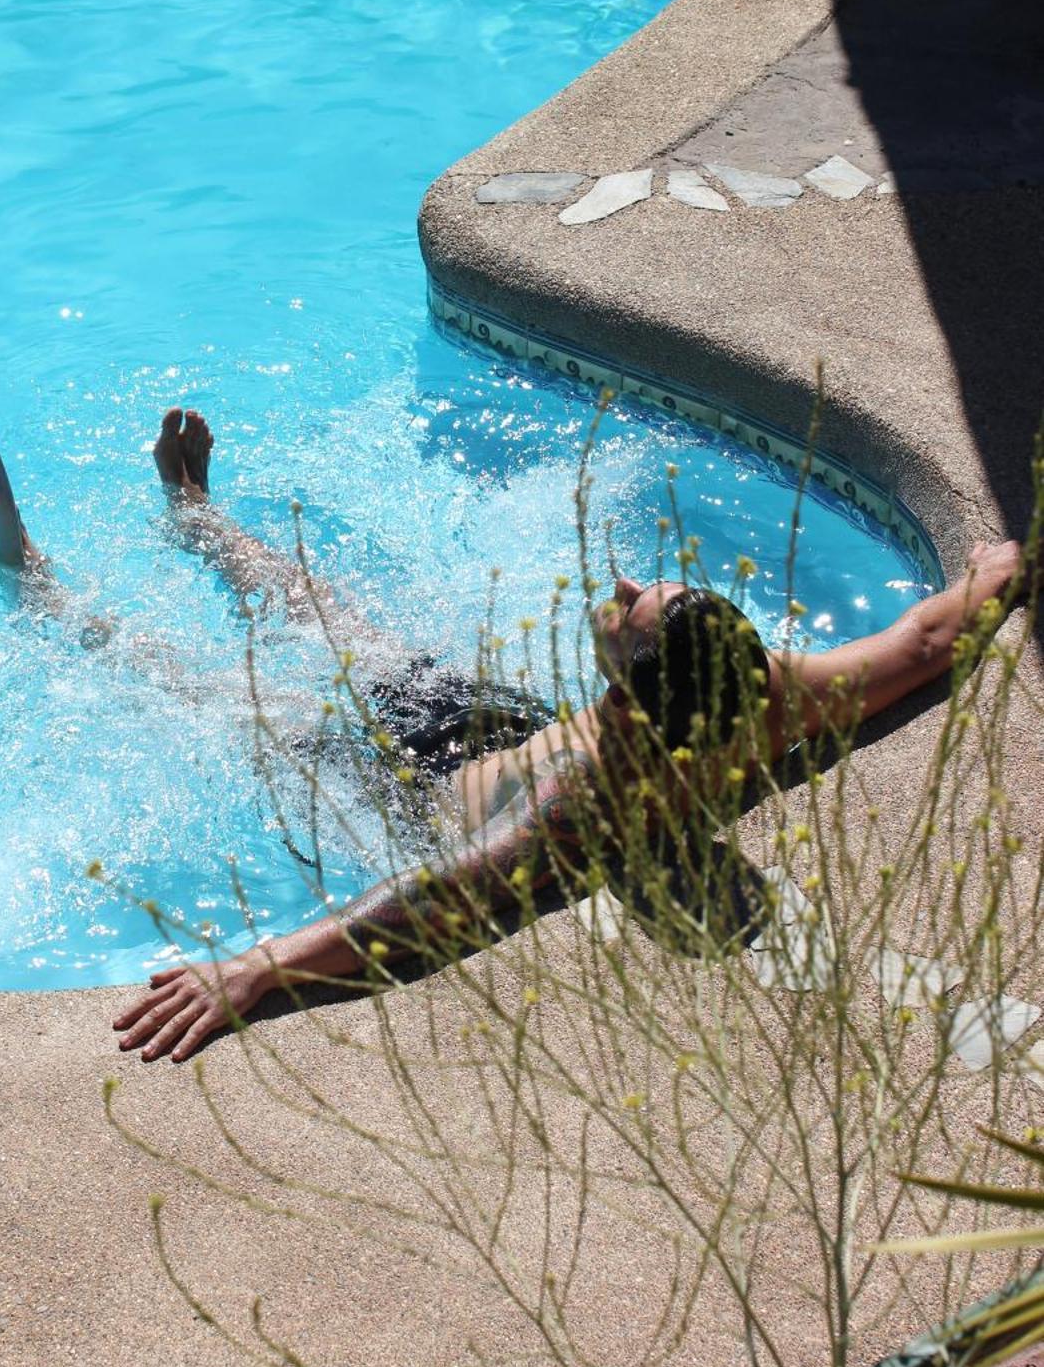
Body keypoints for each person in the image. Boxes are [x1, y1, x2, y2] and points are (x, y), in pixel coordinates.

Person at [94, 410, 1029, 1062]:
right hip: (491, 722)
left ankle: (57, 606)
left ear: (632, 691)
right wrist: (999, 569)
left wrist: (259, 966)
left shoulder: (585, 798)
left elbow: (436, 892)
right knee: (321, 607)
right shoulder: (772, 692)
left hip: (410, 782)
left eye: (634, 611)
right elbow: (925, 639)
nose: (623, 590)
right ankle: (199, 517)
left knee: (221, 697)